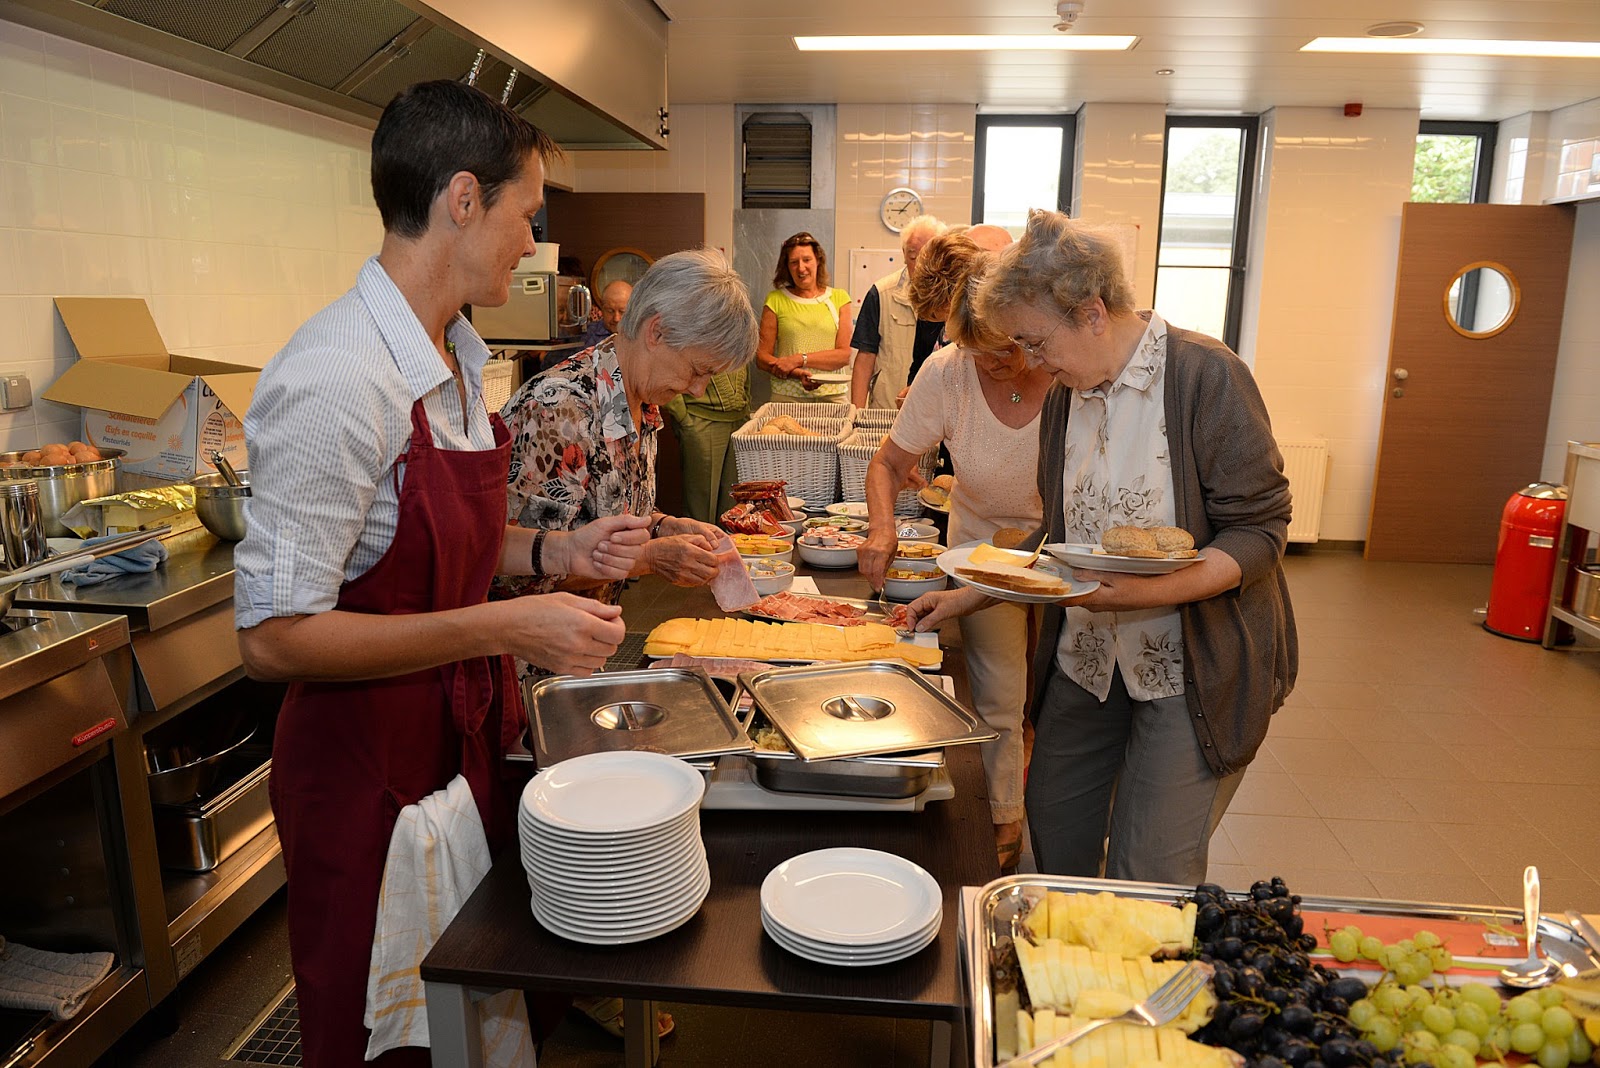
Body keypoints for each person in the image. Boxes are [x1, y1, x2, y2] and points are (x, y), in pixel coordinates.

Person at [234, 81, 652, 1067]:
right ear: (463, 199)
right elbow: (273, 639)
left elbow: (439, 543)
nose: (532, 243)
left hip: (456, 745)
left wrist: (555, 553)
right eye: (526, 215)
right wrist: (507, 627)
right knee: (385, 1032)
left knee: (477, 1006)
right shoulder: (340, 375)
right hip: (365, 774)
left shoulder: (456, 355)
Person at [905, 209, 1297, 886]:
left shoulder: (1206, 376)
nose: (1031, 363)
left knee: (1148, 868)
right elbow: (1063, 534)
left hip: (1189, 666)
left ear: (1091, 313)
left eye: (1035, 341)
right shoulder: (1069, 396)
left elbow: (1261, 530)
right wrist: (971, 594)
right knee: (1057, 826)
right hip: (1089, 659)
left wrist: (1148, 593)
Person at [857, 233, 1051, 874]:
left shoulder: (1066, 369)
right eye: (978, 351)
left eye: (1007, 349)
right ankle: (1003, 819)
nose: (995, 364)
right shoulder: (946, 371)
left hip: (1065, 544)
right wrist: (881, 528)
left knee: (1070, 694)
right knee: (999, 694)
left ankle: (1070, 818)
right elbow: (888, 463)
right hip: (982, 549)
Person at [495, 246, 760, 685]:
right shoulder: (561, 410)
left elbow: (605, 509)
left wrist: (662, 526)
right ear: (657, 331)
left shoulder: (642, 402)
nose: (697, 390)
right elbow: (514, 574)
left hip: (581, 654)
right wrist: (649, 559)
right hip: (525, 672)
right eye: (697, 370)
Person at [849, 215, 948, 410]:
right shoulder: (881, 293)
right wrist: (857, 414)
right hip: (887, 408)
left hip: (938, 412)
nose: (920, 265)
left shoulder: (954, 297)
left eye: (927, 257)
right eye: (913, 256)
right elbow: (865, 358)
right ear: (903, 254)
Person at [754, 232, 853, 404]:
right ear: (787, 266)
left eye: (807, 260)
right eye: (794, 262)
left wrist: (800, 359)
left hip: (833, 398)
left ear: (818, 260)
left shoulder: (839, 298)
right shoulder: (775, 300)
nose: (801, 268)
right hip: (787, 398)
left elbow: (844, 355)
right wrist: (796, 373)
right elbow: (762, 358)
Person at [664, 364, 750, 523]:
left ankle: (727, 539)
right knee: (701, 506)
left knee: (734, 504)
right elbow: (666, 366)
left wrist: (746, 405)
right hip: (701, 418)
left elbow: (743, 361)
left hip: (739, 419)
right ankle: (698, 539)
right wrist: (684, 418)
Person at [580, 278, 632, 347]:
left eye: (622, 312)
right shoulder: (588, 334)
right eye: (610, 311)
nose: (616, 319)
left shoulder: (641, 335)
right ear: (602, 308)